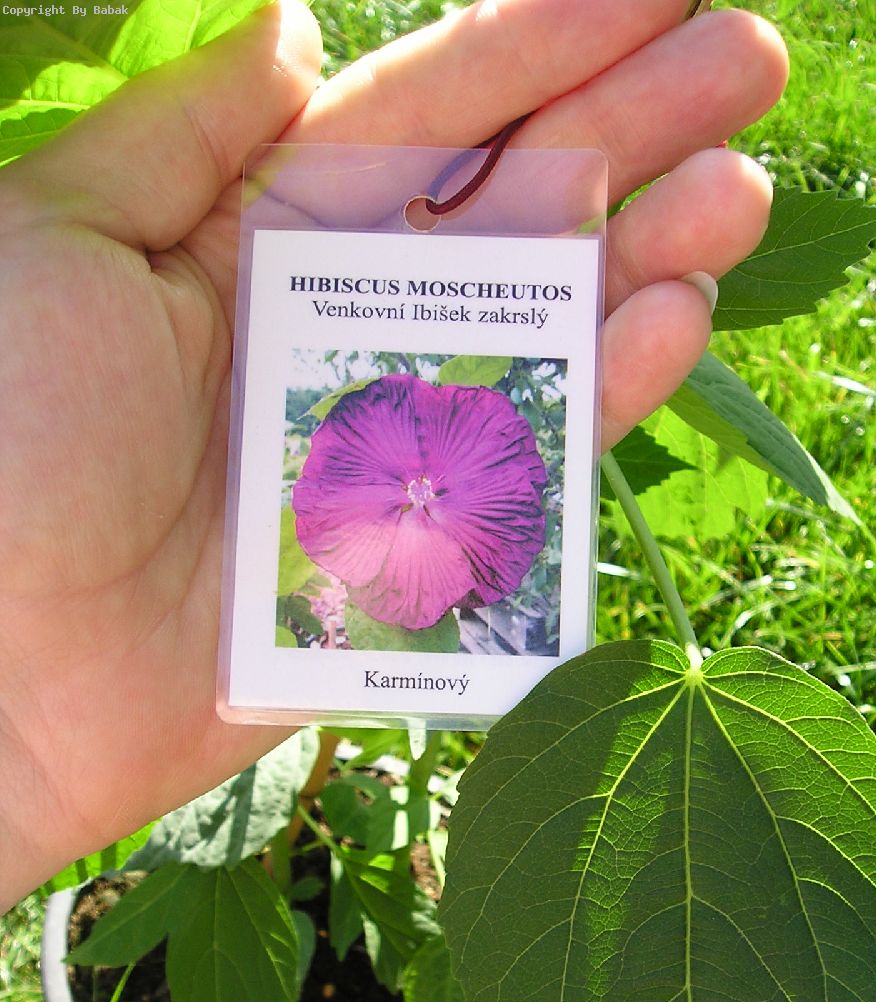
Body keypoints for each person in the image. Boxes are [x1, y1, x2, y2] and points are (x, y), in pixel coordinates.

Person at [0, 0, 788, 912]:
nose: (417, 494)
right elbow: (347, 496)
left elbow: (478, 510)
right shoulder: (362, 474)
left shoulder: (466, 461)